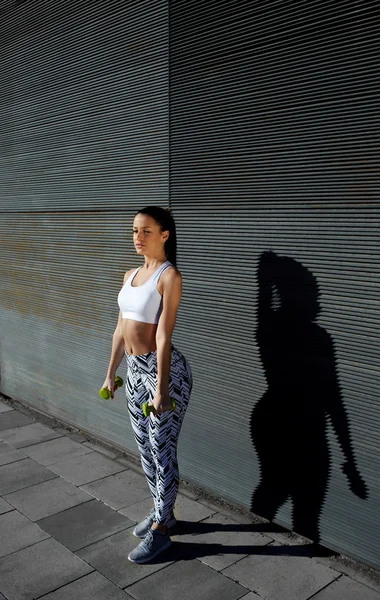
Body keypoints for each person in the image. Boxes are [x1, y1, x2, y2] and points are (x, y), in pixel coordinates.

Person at [102, 205, 193, 564]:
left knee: (162, 449)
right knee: (145, 450)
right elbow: (119, 330)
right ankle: (163, 512)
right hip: (135, 371)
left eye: (146, 231)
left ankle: (161, 530)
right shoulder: (130, 275)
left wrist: (161, 388)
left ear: (165, 235)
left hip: (163, 373)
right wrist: (111, 372)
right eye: (134, 231)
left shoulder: (169, 277)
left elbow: (164, 338)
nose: (137, 238)